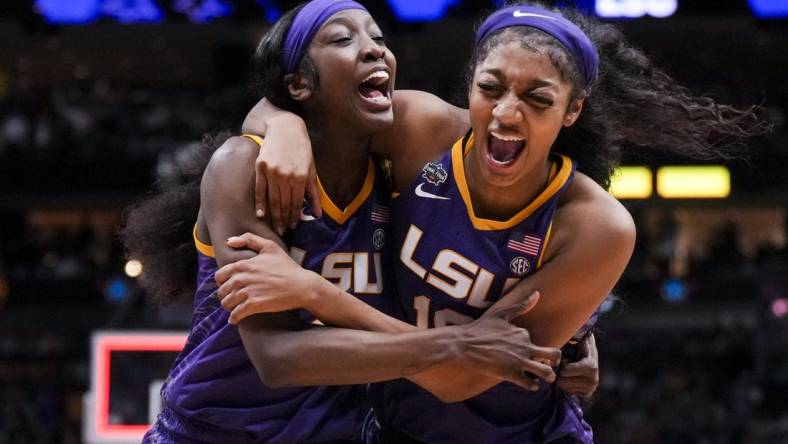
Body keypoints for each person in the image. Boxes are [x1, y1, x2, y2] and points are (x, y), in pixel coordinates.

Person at [220, 2, 769, 442]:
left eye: (537, 98)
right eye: (492, 88)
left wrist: (314, 292)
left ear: (571, 111)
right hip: (391, 423)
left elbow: (456, 379)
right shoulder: (421, 130)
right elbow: (318, 106)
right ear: (470, 88)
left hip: (516, 431)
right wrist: (281, 124)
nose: (508, 112)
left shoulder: (598, 225)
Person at [122, 1, 586, 442]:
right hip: (218, 431)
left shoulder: (398, 175)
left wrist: (578, 333)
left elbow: (487, 247)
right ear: (299, 85)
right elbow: (276, 358)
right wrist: (458, 346)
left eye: (379, 37)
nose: (373, 47)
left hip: (344, 431)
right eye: (343, 39)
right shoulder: (245, 166)